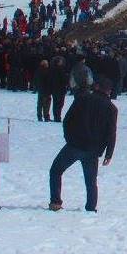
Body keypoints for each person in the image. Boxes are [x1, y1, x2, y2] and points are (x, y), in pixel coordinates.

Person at [49, 76, 118, 212]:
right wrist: (108, 154)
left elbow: (67, 120)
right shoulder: (111, 108)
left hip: (74, 145)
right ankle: (91, 207)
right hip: (93, 149)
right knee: (91, 181)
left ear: (97, 87)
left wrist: (69, 138)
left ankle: (55, 202)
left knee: (56, 171)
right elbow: (111, 133)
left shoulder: (82, 99)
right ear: (109, 91)